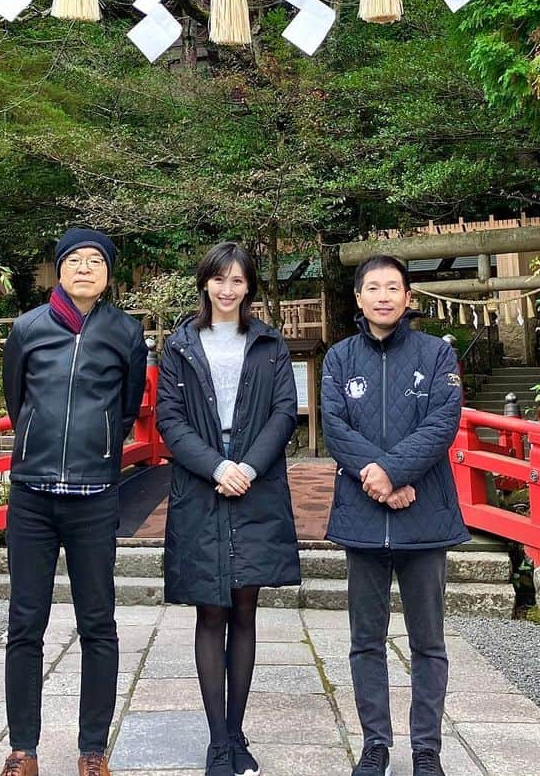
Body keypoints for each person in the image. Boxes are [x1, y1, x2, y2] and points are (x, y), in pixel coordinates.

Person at [0, 227, 147, 776]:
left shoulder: (125, 332)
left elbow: (127, 406)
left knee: (98, 621)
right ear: (58, 269)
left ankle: (92, 749)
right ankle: (22, 750)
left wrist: (102, 449)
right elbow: (18, 401)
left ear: (108, 273)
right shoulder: (28, 328)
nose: (85, 268)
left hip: (94, 496)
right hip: (33, 497)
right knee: (25, 621)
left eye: (96, 261)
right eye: (74, 260)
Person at [156, 242, 301, 776]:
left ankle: (237, 733)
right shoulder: (180, 346)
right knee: (208, 610)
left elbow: (285, 411)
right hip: (200, 486)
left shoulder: (267, 343)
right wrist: (218, 467)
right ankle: (218, 741)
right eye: (219, 279)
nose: (227, 289)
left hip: (256, 486)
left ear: (249, 289)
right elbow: (169, 420)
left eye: (238, 280)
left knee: (245, 607)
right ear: (205, 283)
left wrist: (249, 467)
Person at [321, 255, 468, 776]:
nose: (383, 296)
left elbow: (441, 423)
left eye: (393, 287)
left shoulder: (436, 355)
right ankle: (375, 744)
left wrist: (395, 473)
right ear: (358, 298)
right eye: (372, 287)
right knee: (366, 640)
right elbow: (335, 428)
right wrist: (381, 480)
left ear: (408, 298)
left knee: (428, 641)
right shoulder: (338, 358)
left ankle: (426, 748)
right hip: (364, 518)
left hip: (423, 515)